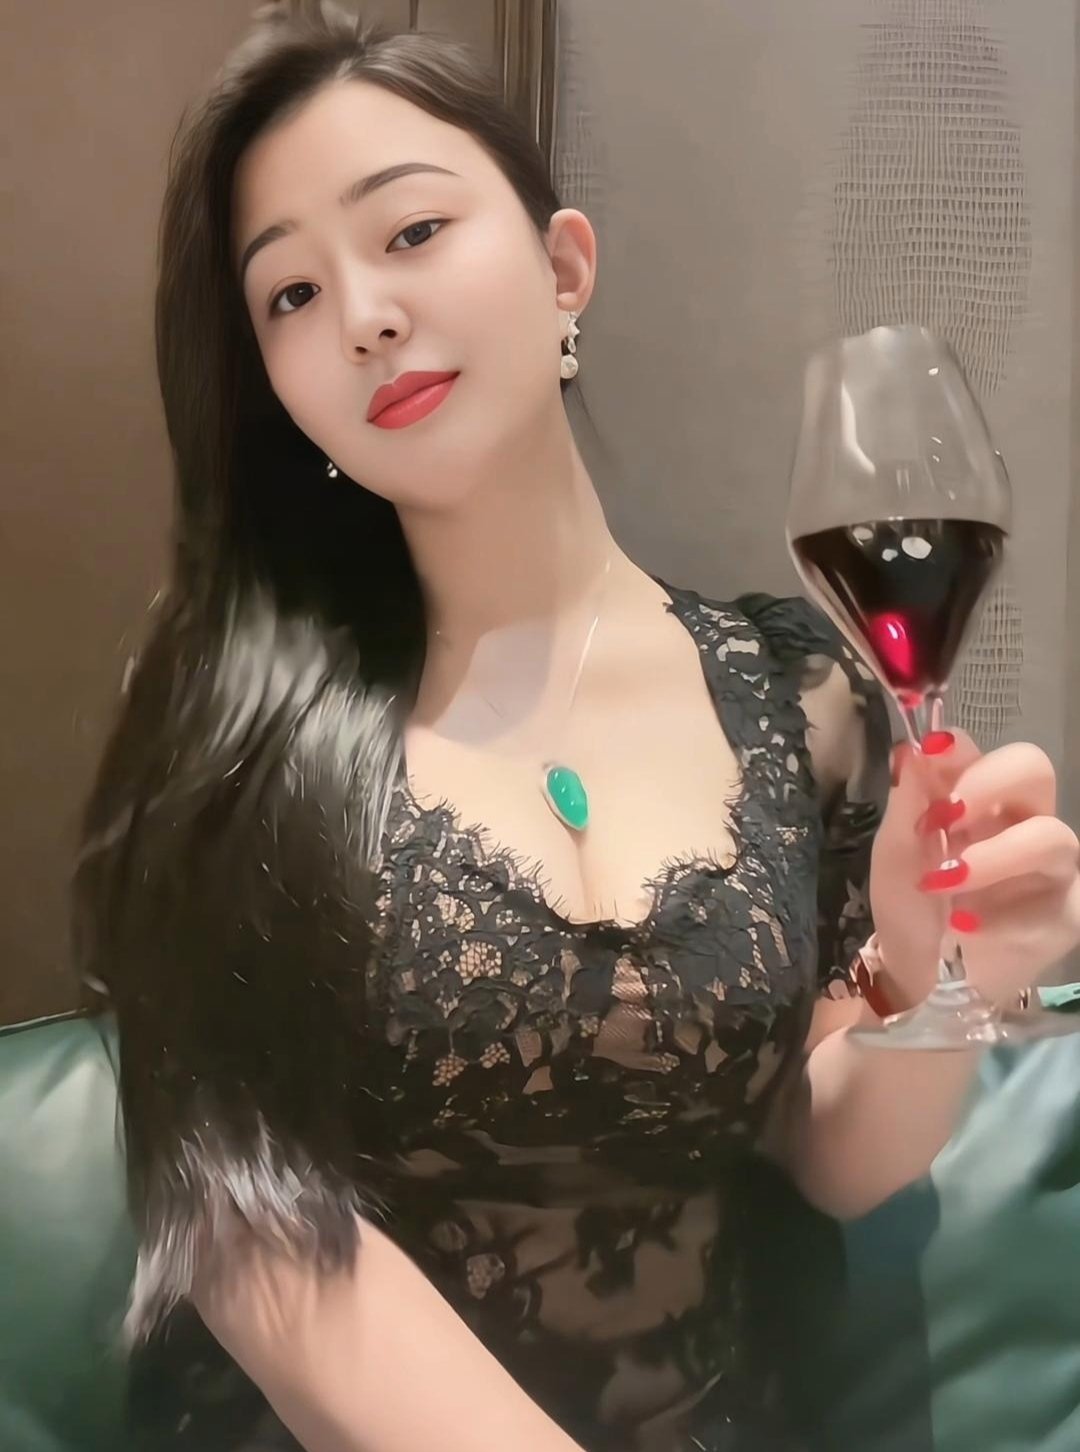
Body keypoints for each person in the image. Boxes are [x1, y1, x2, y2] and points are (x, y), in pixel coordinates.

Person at [73, 4, 1080, 1450]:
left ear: (563, 268)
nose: (362, 315)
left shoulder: (794, 693)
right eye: (290, 293)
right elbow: (253, 1234)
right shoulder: (227, 720)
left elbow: (824, 1150)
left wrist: (947, 978)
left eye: (412, 231)